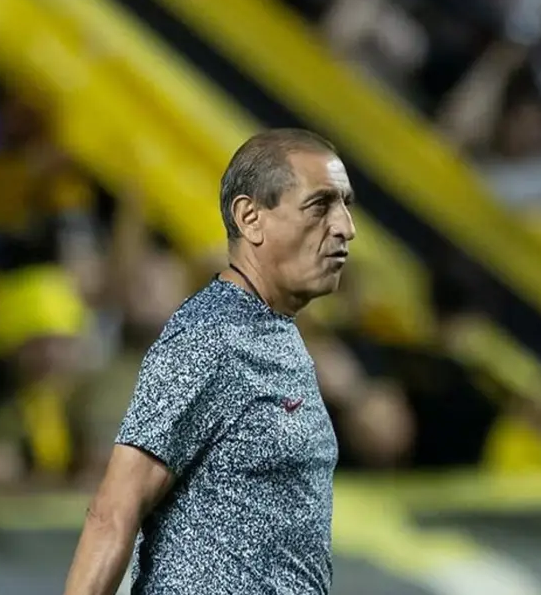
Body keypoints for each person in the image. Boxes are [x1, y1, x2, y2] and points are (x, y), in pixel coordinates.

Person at [63, 128, 356, 595]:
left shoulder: (275, 330)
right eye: (320, 205)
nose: (345, 227)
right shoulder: (211, 336)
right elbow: (113, 510)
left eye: (346, 204)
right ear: (250, 218)